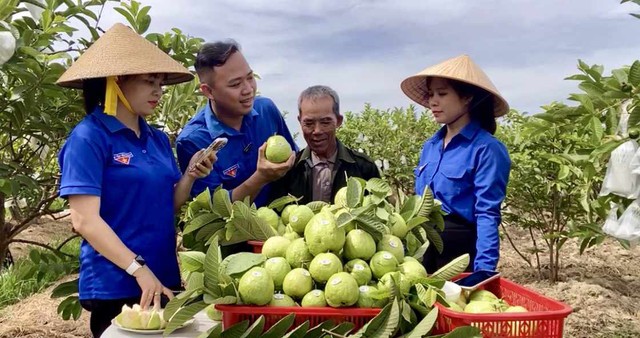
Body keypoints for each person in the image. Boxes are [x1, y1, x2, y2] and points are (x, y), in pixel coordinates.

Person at [56, 23, 215, 338]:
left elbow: (165, 203)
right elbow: (84, 220)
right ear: (115, 82)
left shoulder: (156, 138)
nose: (158, 90)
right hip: (116, 284)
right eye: (148, 81)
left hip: (163, 276)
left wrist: (190, 175)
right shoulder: (89, 137)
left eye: (160, 82)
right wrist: (138, 270)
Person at [400, 55, 511, 273]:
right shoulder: (430, 146)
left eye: (442, 94)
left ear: (467, 97)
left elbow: (487, 213)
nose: (433, 101)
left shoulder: (486, 148)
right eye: (431, 94)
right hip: (422, 249)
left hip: (458, 254)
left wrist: (483, 270)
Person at [176, 40, 297, 208]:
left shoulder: (266, 110)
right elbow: (217, 210)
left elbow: (295, 158)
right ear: (208, 91)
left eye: (250, 78)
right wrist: (261, 177)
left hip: (286, 223)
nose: (248, 89)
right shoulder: (193, 141)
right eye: (235, 84)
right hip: (236, 232)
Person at [270, 85, 380, 204]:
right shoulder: (289, 170)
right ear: (300, 121)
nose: (317, 131)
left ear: (338, 121)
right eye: (309, 123)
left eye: (325, 122)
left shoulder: (364, 168)